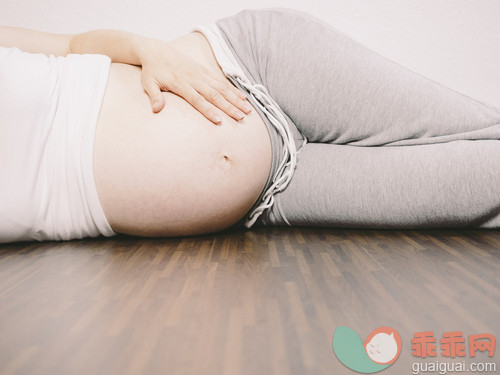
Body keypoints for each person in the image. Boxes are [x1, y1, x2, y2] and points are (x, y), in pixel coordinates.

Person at [1, 8, 499, 244]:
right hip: (272, 199)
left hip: (250, 66)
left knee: (485, 126)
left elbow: (69, 45)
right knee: (484, 182)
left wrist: (147, 50)